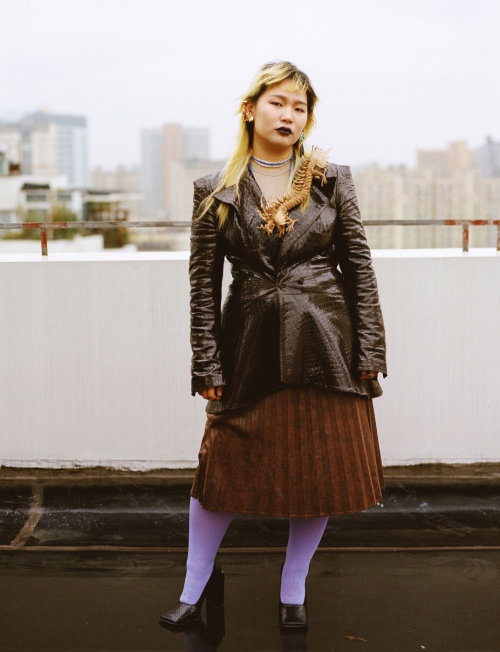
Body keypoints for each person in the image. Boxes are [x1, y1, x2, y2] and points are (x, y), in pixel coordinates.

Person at [160, 61, 387, 629]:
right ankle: (194, 587)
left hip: (327, 344)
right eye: (278, 103)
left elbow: (359, 268)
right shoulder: (215, 189)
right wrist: (206, 362)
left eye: (300, 107)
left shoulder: (331, 179)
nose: (289, 115)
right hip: (248, 348)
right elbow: (203, 285)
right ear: (250, 109)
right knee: (219, 471)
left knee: (320, 473)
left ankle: (293, 589)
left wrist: (370, 352)